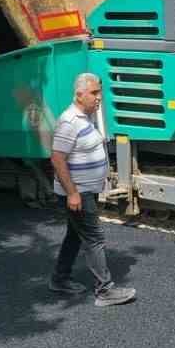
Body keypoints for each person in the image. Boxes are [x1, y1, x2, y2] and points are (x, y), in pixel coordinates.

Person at [48, 72, 138, 308]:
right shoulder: (70, 122)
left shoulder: (85, 117)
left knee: (76, 235)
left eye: (100, 92)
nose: (99, 98)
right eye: (94, 93)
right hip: (79, 192)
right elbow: (57, 159)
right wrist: (72, 193)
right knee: (94, 238)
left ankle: (59, 279)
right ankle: (105, 291)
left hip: (84, 190)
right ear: (79, 95)